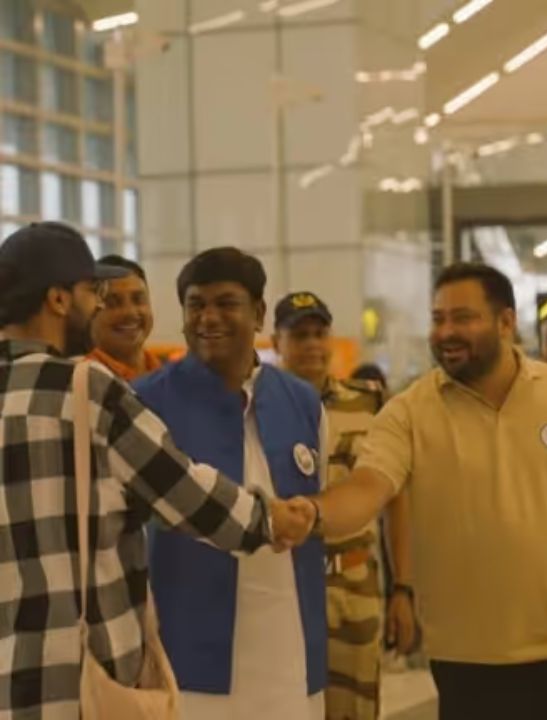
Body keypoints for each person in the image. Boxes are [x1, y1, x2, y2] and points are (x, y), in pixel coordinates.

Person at [302, 262, 547, 719]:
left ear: (506, 323)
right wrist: (311, 513)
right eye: (438, 318)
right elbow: (367, 488)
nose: (446, 331)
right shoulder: (408, 412)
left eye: (462, 317)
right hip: (471, 673)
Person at [0, 223, 314, 719]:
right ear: (59, 300)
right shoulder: (85, 388)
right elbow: (182, 492)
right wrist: (271, 520)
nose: (99, 307)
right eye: (92, 293)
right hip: (84, 680)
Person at [133, 248, 329, 719]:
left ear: (259, 313)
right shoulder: (143, 402)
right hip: (185, 654)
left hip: (290, 652)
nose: (208, 317)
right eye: (196, 304)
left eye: (226, 303)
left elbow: (316, 507)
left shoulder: (301, 401)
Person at [271, 291, 417, 720]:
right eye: (299, 335)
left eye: (320, 333)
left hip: (354, 586)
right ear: (277, 341)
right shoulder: (256, 409)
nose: (313, 344)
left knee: (354, 709)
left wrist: (402, 589)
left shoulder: (366, 403)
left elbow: (395, 502)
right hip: (285, 584)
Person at [86, 254, 164, 380]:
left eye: (138, 299)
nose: (130, 313)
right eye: (112, 303)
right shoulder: (82, 381)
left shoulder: (166, 375)